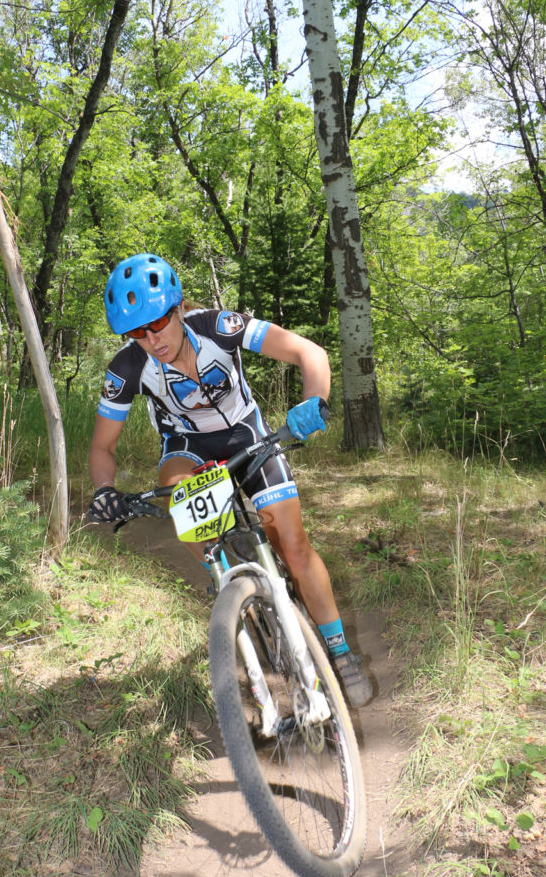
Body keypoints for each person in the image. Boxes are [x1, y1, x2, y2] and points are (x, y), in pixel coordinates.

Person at [88, 253, 372, 708]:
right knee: (184, 504)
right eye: (135, 332)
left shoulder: (219, 326)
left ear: (178, 308)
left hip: (247, 433)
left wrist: (313, 400)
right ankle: (229, 583)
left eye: (157, 322)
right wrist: (104, 490)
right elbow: (103, 447)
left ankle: (339, 654)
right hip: (187, 448)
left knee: (293, 545)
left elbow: (309, 352)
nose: (150, 339)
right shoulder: (126, 369)